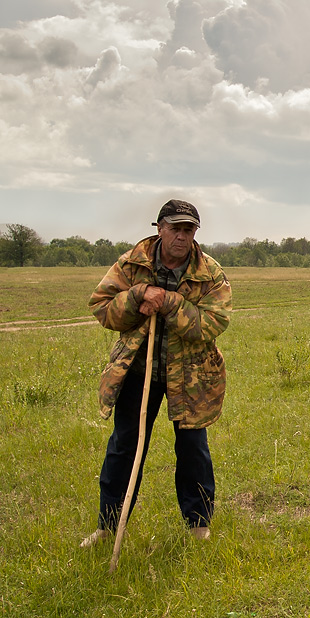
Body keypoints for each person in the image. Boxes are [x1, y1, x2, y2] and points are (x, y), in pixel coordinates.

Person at [80, 199, 232, 547]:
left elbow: (212, 323)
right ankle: (108, 526)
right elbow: (102, 308)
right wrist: (137, 296)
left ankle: (197, 526)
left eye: (188, 229)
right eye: (175, 228)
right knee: (125, 447)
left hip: (191, 377)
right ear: (159, 227)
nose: (182, 236)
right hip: (138, 372)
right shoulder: (133, 263)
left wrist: (167, 301)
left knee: (193, 449)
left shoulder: (210, 273)